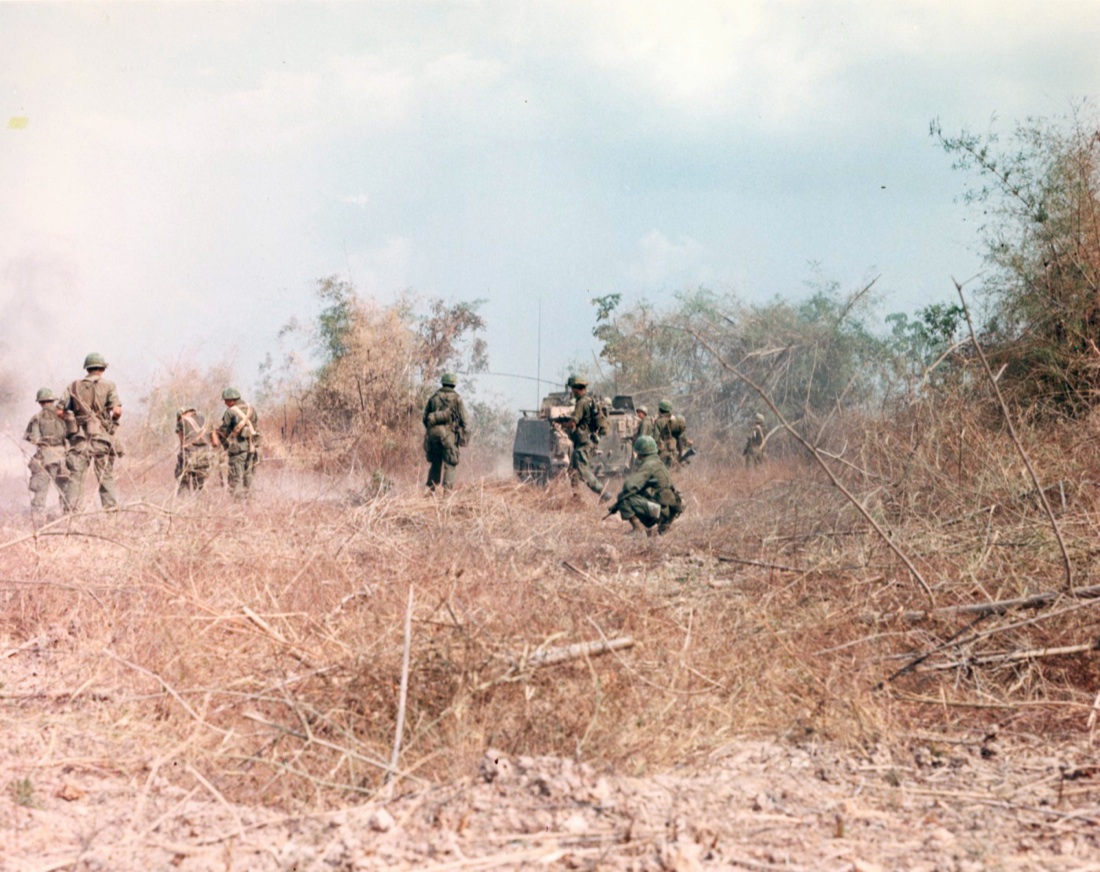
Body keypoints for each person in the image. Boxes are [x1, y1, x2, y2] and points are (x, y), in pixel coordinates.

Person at [59, 352, 122, 512]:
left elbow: (59, 411)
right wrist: (112, 420)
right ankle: (111, 512)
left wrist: (72, 418)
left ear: (87, 368)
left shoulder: (73, 386)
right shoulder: (109, 385)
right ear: (102, 368)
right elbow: (117, 411)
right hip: (101, 438)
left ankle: (72, 514)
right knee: (105, 476)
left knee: (76, 476)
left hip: (79, 438)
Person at [609, 435, 683, 536]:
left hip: (660, 510)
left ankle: (638, 530)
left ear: (641, 452)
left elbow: (628, 486)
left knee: (623, 499)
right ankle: (660, 528)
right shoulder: (658, 463)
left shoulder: (648, 464)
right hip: (668, 510)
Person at [23, 387, 69, 517]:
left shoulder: (36, 418)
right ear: (52, 400)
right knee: (65, 490)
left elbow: (33, 439)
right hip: (62, 459)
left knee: (40, 491)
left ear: (40, 402)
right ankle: (69, 517)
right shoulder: (63, 416)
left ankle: (38, 519)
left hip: (44, 458)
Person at [422, 372, 468, 491]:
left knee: (435, 463)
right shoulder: (457, 399)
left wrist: (431, 430)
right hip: (449, 436)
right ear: (454, 385)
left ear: (443, 383)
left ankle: (431, 490)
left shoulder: (433, 398)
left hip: (433, 435)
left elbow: (425, 418)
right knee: (450, 464)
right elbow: (465, 421)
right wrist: (463, 437)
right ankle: (447, 493)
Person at [564, 375, 608, 498]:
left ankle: (602, 492)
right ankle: (576, 497)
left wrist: (563, 424)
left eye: (572, 388)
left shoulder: (581, 403)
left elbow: (573, 422)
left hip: (584, 443)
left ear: (576, 388)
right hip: (587, 441)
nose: (572, 391)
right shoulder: (589, 401)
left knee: (582, 469)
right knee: (573, 470)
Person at [214, 387, 259, 497]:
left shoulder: (230, 412)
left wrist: (216, 433)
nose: (225, 403)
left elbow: (224, 431)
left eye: (226, 401)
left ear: (231, 400)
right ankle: (251, 503)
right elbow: (255, 425)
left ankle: (237, 506)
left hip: (238, 450)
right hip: (252, 448)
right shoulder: (251, 409)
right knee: (248, 477)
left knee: (235, 479)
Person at [175, 405, 213, 492]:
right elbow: (213, 438)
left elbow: (182, 440)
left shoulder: (182, 421)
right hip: (204, 453)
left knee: (184, 478)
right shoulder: (205, 419)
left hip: (189, 452)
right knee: (200, 480)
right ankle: (199, 501)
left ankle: (183, 501)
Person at [654, 399, 690, 468]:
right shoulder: (674, 421)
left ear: (660, 409)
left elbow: (655, 437)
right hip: (673, 449)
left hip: (662, 450)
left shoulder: (659, 422)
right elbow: (679, 436)